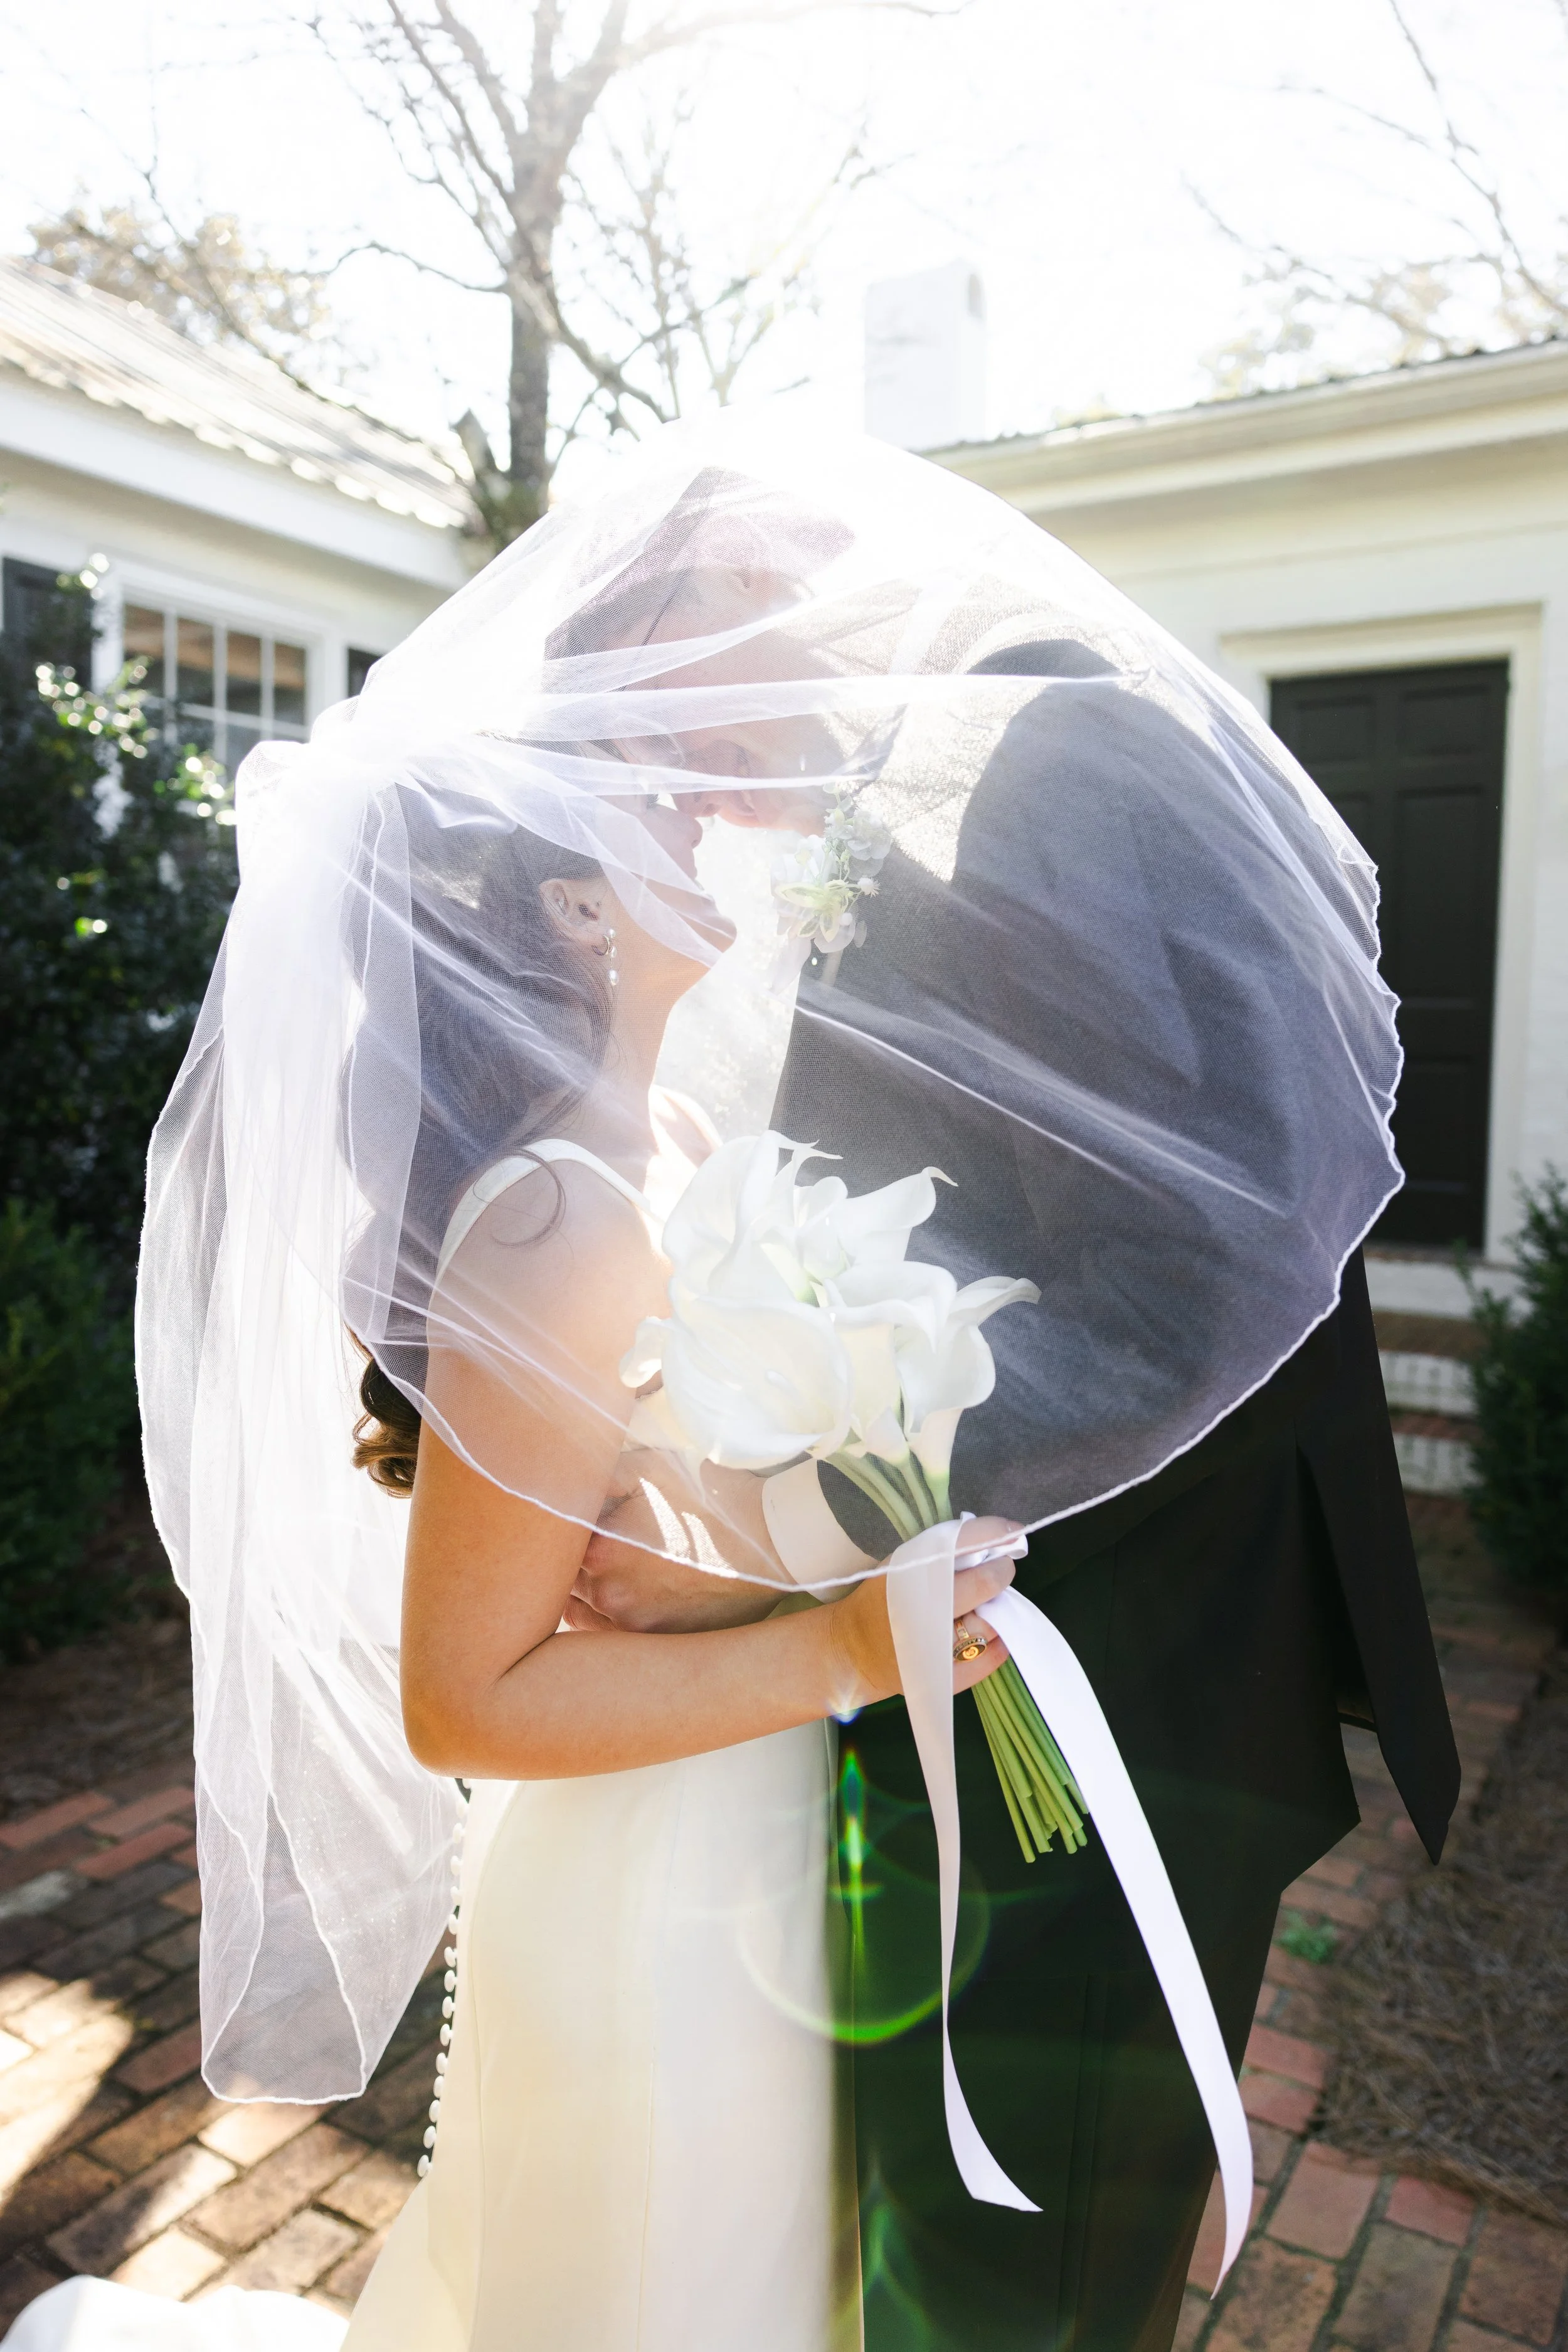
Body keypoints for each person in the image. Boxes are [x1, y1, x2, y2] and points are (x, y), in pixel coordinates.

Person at [3, 415, 1440, 2352]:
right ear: (571, 907)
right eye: (661, 809)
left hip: (835, 1778)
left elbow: (1189, 1246)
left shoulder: (721, 1098)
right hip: (679, 1862)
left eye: (688, 755)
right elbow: (464, 1689)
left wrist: (771, 1559)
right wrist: (825, 1628)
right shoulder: (562, 1216)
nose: (712, 817)